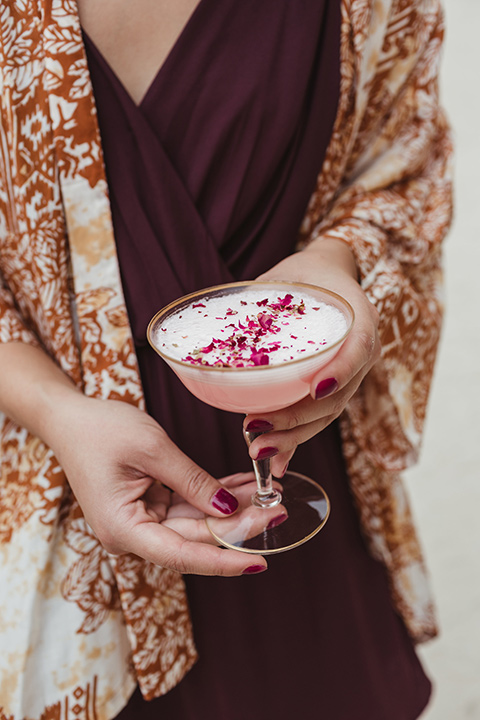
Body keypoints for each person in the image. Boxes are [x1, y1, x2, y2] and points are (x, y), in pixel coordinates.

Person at [0, 0, 453, 719]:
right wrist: (56, 411)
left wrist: (334, 262)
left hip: (301, 491)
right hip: (76, 531)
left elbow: (402, 171)